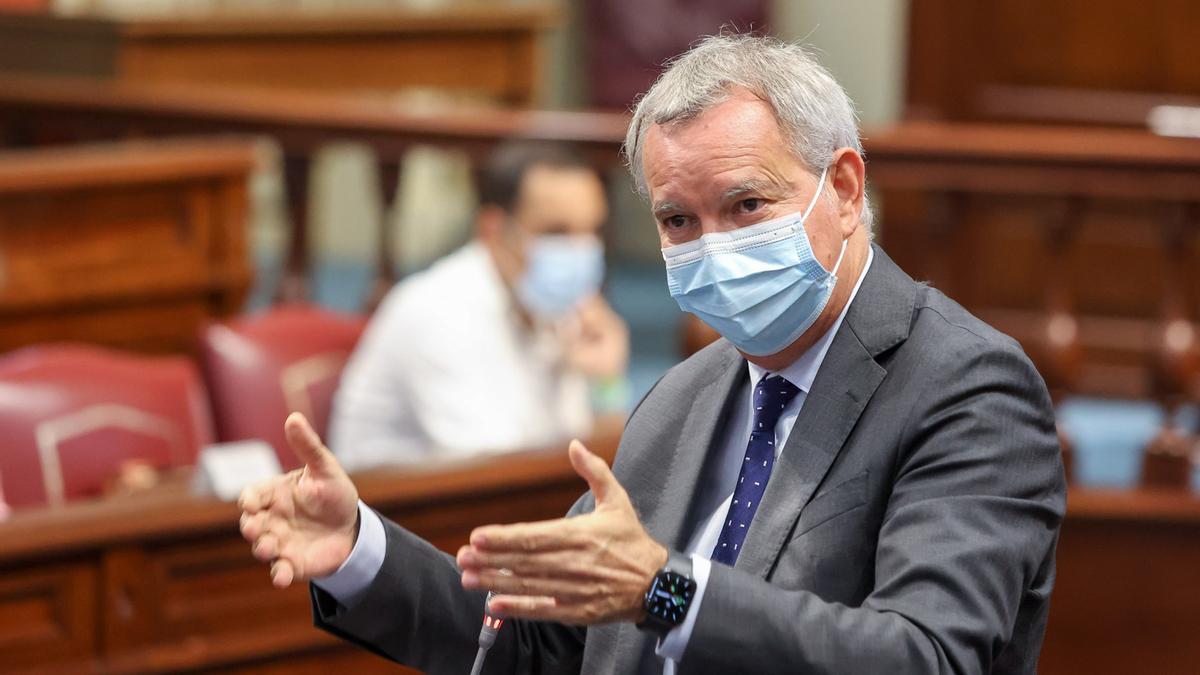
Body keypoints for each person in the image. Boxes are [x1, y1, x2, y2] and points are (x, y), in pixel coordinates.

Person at [239, 34, 1066, 674]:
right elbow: (532, 645)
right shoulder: (686, 395)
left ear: (844, 188)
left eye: (746, 204)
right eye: (679, 222)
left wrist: (665, 591)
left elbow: (924, 657)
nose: (713, 247)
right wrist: (359, 549)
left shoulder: (967, 388)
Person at [328, 142, 629, 471]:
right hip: (392, 510)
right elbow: (501, 475)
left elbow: (575, 448)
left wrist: (607, 385)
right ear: (493, 230)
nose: (581, 250)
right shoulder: (437, 312)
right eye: (556, 232)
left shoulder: (557, 305)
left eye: (593, 230)